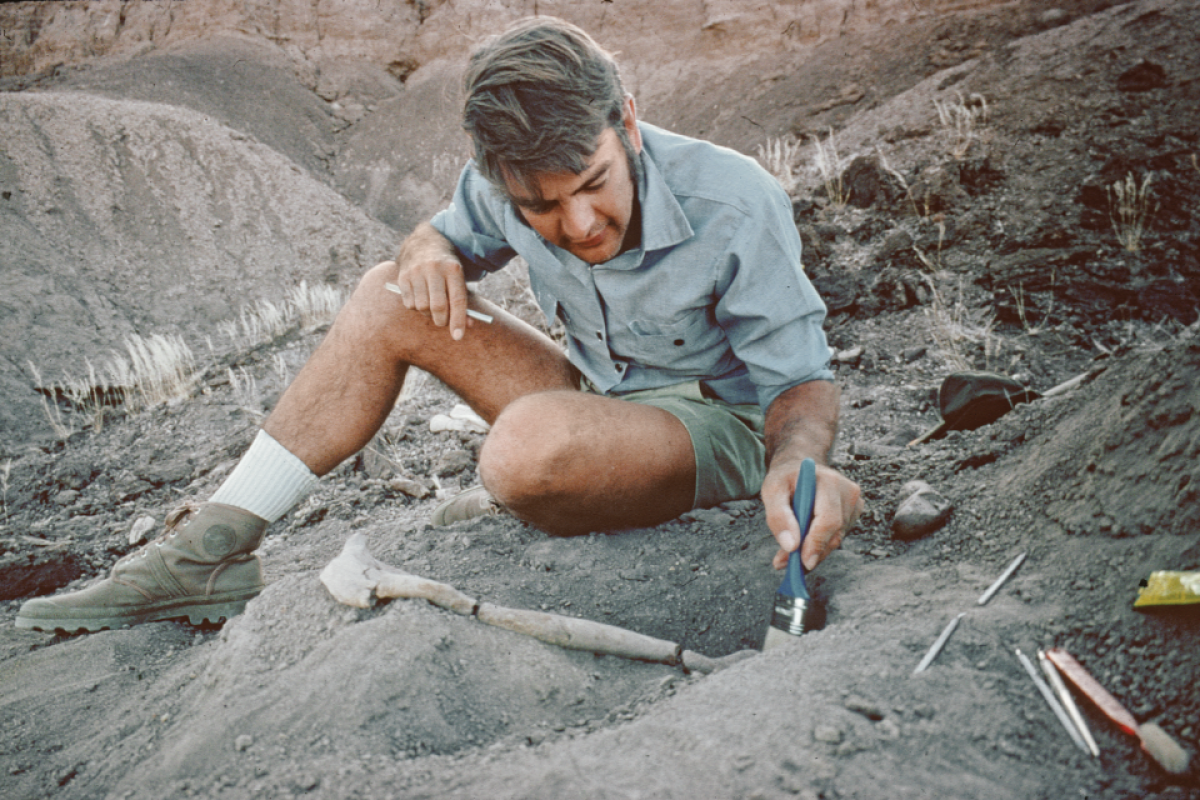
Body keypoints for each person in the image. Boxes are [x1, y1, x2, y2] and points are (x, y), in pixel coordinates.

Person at [15, 17, 863, 634]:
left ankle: (571, 471)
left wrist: (798, 469)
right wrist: (426, 252)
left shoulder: (734, 197)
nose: (578, 226)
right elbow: (436, 237)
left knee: (526, 450)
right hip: (601, 395)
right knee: (389, 292)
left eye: (594, 183)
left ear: (628, 123)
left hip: (719, 424)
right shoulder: (501, 184)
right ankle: (207, 550)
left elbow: (799, 380)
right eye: (541, 206)